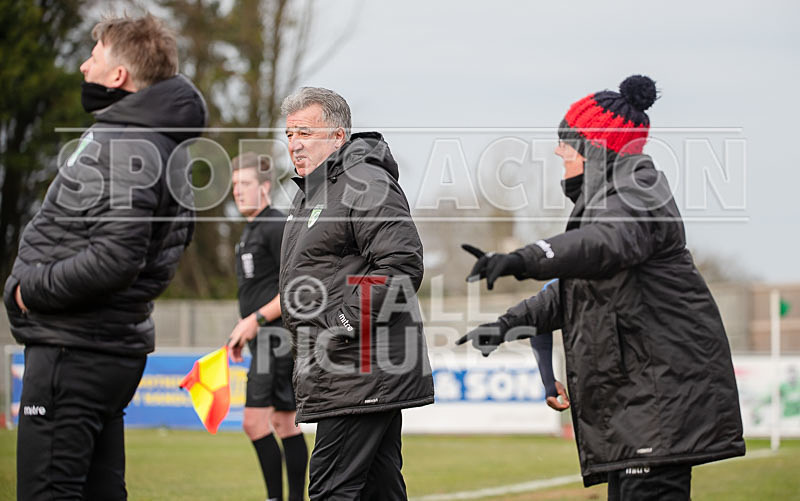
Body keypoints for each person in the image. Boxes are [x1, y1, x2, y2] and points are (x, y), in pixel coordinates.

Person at [458, 75, 745, 499]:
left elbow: (601, 243)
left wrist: (527, 257)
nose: (558, 150)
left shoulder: (636, 195)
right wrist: (507, 324)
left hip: (655, 410)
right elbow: (575, 291)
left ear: (596, 147)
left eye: (567, 141)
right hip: (639, 411)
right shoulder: (610, 198)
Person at [2, 14, 207, 499]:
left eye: (94, 58)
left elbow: (117, 257)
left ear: (119, 77)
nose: (82, 66)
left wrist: (28, 293)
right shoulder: (155, 140)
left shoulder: (129, 143)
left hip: (75, 347)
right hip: (99, 346)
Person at [278, 87, 434, 500]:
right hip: (350, 373)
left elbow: (400, 267)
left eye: (306, 132)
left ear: (338, 136)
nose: (295, 143)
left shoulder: (364, 182)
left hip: (357, 370)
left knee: (333, 491)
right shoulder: (311, 194)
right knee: (379, 491)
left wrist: (341, 324)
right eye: (290, 133)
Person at [227, 152, 308, 501]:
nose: (237, 192)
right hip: (264, 339)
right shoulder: (250, 230)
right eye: (234, 185)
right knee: (284, 424)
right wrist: (246, 328)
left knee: (254, 423)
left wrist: (256, 320)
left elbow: (296, 288)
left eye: (245, 184)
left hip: (276, 338)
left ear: (264, 188)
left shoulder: (276, 225)